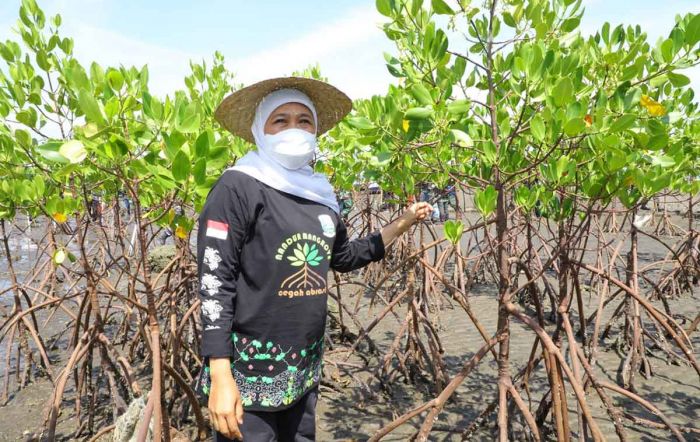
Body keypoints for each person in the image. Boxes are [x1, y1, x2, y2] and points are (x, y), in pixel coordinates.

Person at [195, 77, 432, 442]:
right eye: (281, 120)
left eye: (304, 120)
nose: (294, 129)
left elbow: (343, 257)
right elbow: (215, 280)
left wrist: (402, 223)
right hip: (247, 373)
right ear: (261, 129)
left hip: (304, 367)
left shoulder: (319, 193)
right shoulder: (238, 186)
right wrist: (220, 375)